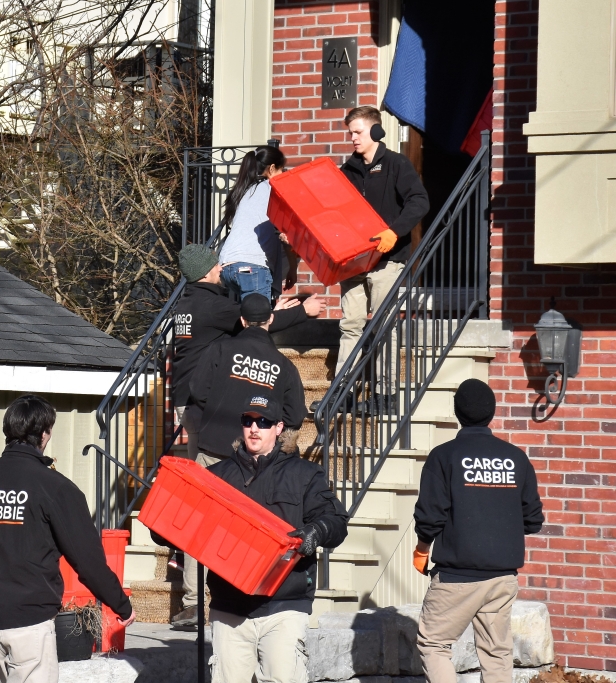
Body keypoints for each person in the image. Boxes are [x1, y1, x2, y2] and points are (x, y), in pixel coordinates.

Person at [0, 394, 135, 683]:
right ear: (44, 433)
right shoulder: (53, 487)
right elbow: (87, 560)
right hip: (29, 622)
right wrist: (121, 603)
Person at [171, 294, 308, 630]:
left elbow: (198, 390)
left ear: (243, 320)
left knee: (198, 526)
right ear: (269, 321)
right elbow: (295, 415)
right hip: (251, 461)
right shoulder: (282, 365)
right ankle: (242, 593)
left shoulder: (219, 351)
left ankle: (192, 605)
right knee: (246, 530)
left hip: (213, 448)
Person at [206, 395, 349, 683]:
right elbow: (181, 527)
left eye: (263, 422)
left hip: (284, 604)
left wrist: (316, 532)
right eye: (248, 421)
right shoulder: (217, 476)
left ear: (278, 427)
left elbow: (336, 521)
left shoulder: (304, 474)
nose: (254, 428)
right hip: (229, 606)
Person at [412, 379, 544, 683]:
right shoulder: (516, 458)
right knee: (496, 653)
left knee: (434, 644)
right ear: (492, 413)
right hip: (502, 578)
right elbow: (533, 519)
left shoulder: (444, 456)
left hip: (458, 578)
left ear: (457, 411)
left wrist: (421, 550)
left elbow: (430, 517)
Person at [172, 243, 325, 461]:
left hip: (186, 393)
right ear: (205, 273)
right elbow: (254, 321)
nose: (221, 268)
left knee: (201, 464)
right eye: (216, 265)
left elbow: (252, 317)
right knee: (202, 473)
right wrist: (303, 311)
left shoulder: (188, 303)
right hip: (197, 398)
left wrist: (271, 312)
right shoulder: (212, 306)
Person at [337, 106, 429, 410]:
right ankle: (341, 390)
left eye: (358, 132)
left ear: (376, 132)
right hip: (353, 261)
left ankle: (384, 395)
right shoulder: (346, 171)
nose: (352, 138)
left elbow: (419, 202)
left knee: (383, 325)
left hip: (387, 261)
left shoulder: (396, 164)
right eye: (350, 132)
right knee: (350, 324)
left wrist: (394, 231)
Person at [219, 145, 301, 302]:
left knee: (250, 316)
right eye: (281, 170)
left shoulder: (246, 190)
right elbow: (286, 236)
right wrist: (293, 269)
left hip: (227, 265)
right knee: (260, 321)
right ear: (271, 169)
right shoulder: (274, 191)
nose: (283, 175)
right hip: (252, 266)